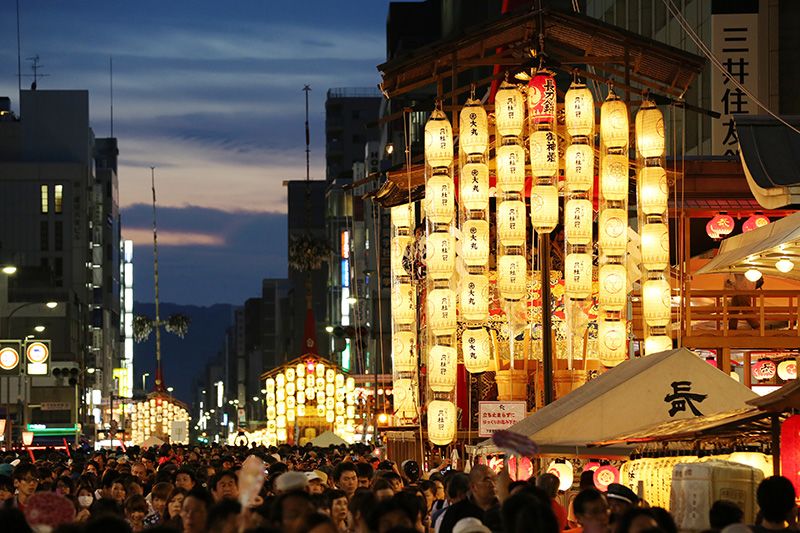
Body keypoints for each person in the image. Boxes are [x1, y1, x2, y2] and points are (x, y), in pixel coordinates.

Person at [438, 465, 501, 533]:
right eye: (487, 480)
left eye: (495, 479)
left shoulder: (503, 509)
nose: (493, 484)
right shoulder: (456, 511)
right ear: (473, 486)